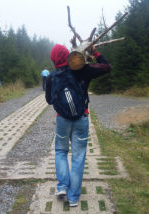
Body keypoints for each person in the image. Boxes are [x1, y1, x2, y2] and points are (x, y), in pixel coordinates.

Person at [45, 44, 111, 207]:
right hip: (82, 118)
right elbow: (106, 67)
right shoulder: (83, 70)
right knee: (78, 157)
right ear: (68, 55)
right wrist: (95, 52)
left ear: (53, 59)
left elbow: (49, 100)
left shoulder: (51, 77)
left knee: (60, 151)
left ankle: (62, 186)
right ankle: (74, 198)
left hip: (62, 120)